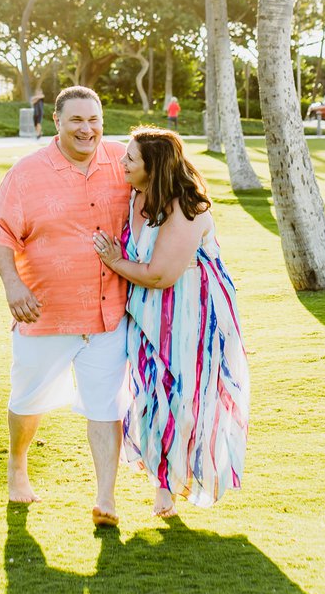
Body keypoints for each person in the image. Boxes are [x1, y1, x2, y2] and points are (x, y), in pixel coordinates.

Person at [0, 86, 132, 525]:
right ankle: (17, 464)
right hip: (45, 312)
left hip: (110, 314)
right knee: (29, 398)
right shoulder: (26, 174)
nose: (87, 129)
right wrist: (13, 286)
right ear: (57, 122)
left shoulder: (126, 162)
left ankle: (105, 498)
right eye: (76, 121)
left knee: (106, 405)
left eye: (94, 120)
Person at [91, 127, 249, 518]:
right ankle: (163, 480)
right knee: (147, 395)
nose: (122, 163)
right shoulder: (133, 194)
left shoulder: (185, 207)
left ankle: (169, 485)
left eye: (131, 159)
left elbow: (162, 274)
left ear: (154, 166)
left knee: (183, 399)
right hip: (145, 311)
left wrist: (114, 263)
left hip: (190, 314)